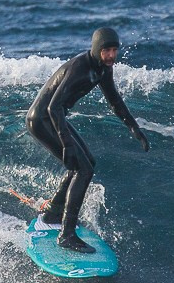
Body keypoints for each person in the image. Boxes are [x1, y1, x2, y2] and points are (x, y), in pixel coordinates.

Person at [25, 27, 150, 253]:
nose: (111, 55)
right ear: (96, 49)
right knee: (83, 170)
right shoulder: (79, 68)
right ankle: (66, 235)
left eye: (114, 50)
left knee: (87, 163)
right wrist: (67, 143)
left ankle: (53, 213)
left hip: (54, 118)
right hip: (42, 120)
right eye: (106, 50)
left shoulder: (103, 68)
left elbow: (114, 101)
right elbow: (53, 107)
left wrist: (134, 128)